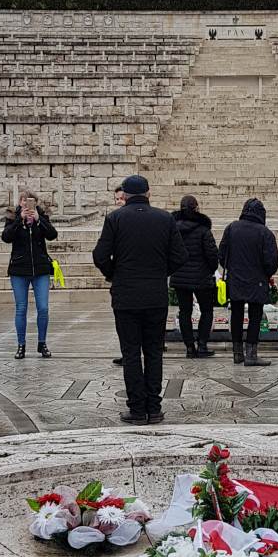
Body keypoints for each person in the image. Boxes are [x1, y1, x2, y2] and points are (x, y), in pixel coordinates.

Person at [93, 175, 188, 425]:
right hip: (155, 295)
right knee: (154, 352)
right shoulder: (165, 218)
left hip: (126, 296)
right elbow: (180, 255)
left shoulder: (115, 218)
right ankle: (154, 408)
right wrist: (160, 272)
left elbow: (100, 255)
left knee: (131, 353)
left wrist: (114, 274)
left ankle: (137, 409)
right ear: (148, 193)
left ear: (124, 195)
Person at [218, 198, 278, 367]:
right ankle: (251, 355)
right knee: (255, 316)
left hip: (236, 279)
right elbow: (271, 261)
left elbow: (222, 254)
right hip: (257, 281)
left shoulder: (231, 228)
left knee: (236, 315)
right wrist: (266, 274)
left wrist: (232, 269)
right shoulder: (265, 233)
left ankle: (237, 353)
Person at [2, 190, 58, 360]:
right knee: (21, 308)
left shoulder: (42, 216)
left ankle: (42, 343)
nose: (27, 204)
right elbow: (6, 237)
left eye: (30, 201)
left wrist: (39, 221)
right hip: (19, 269)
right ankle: (21, 345)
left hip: (40, 268)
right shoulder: (12, 217)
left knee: (43, 308)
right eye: (24, 201)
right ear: (20, 203)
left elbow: (52, 235)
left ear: (36, 202)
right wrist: (19, 221)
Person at [170, 195, 219, 358]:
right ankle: (202, 345)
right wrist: (211, 270)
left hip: (180, 276)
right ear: (196, 208)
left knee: (185, 311)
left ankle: (190, 347)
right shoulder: (203, 229)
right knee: (207, 310)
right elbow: (212, 254)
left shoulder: (173, 229)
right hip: (201, 276)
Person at [111, 186, 126, 367]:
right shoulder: (114, 220)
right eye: (116, 199)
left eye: (121, 198)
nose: (118, 202)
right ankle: (127, 353)